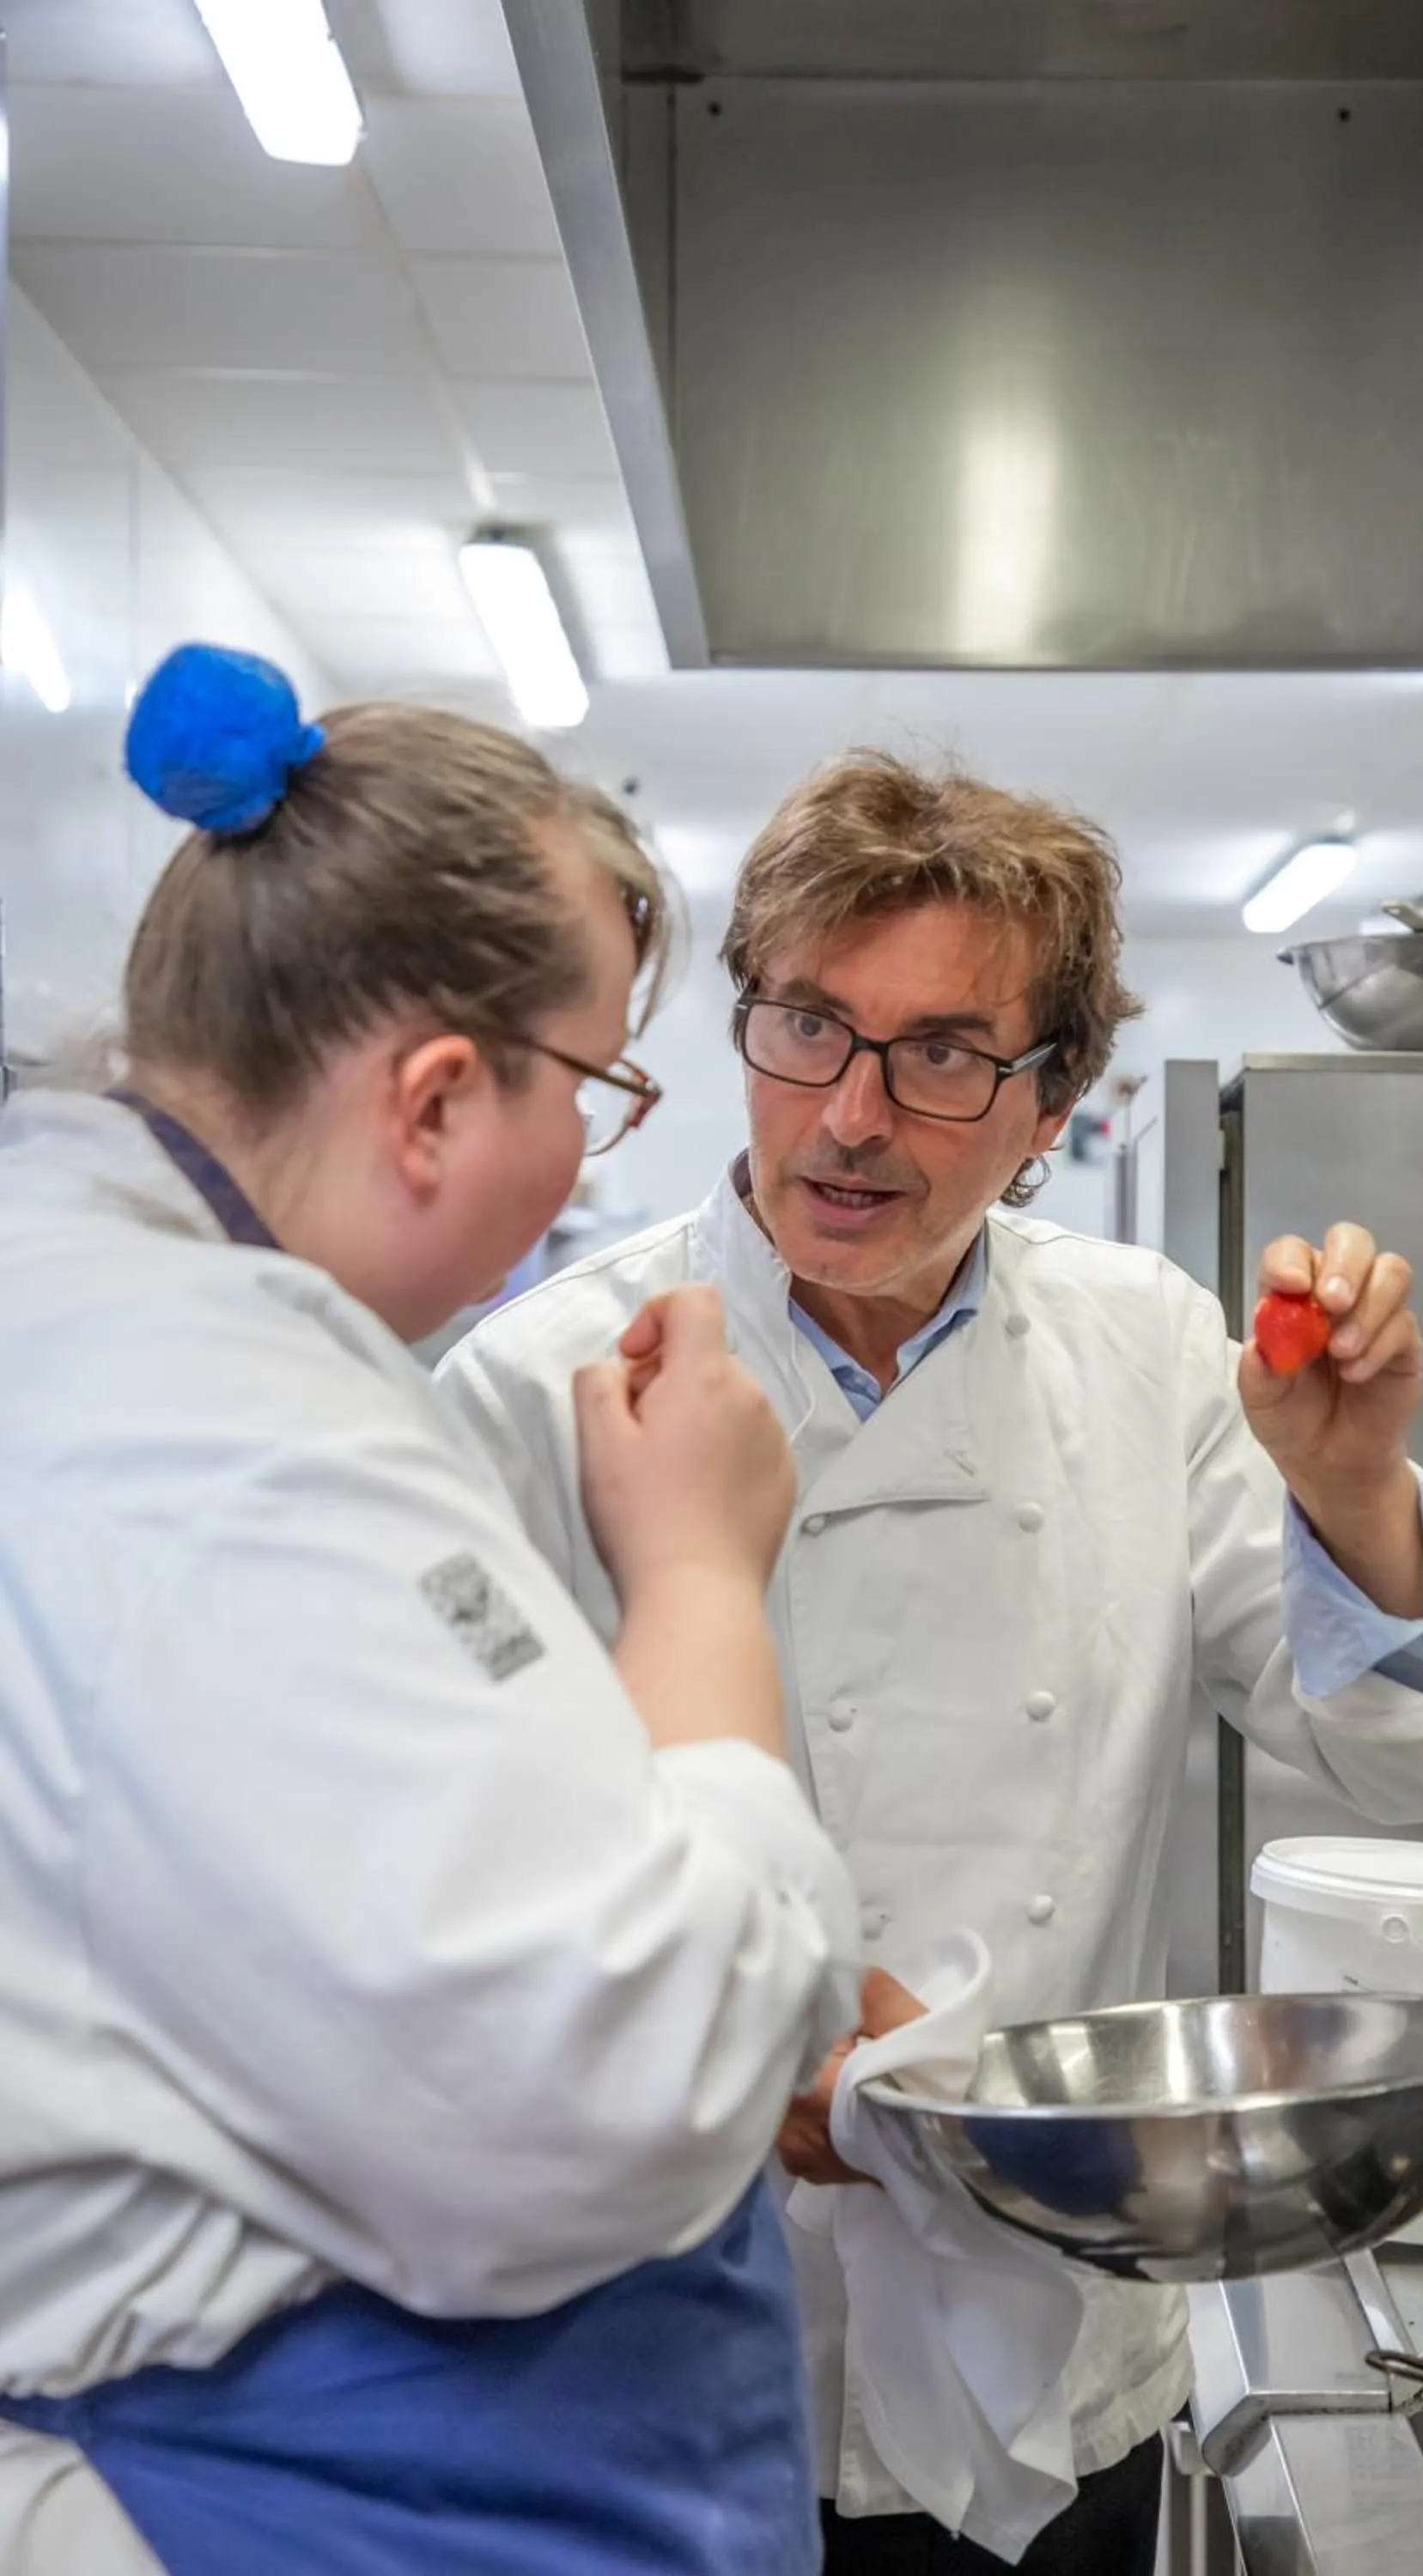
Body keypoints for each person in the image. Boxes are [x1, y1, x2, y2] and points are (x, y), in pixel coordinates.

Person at [439, 753, 1423, 2574]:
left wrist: (1349, 1485)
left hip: (1060, 2347)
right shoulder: (544, 1376)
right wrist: (698, 2029)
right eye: (809, 1027)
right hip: (660, 2365)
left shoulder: (1151, 1352)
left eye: (943, 1055)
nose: (852, 1116)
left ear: (1051, 1106)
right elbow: (420, 1878)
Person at [0, 645, 859, 2576]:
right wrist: (700, 1571)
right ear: (437, 1102)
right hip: (310, 2504)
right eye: (604, 1085)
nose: (591, 1150)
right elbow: (609, 2091)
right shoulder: (207, 1439)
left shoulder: (129, 1323)